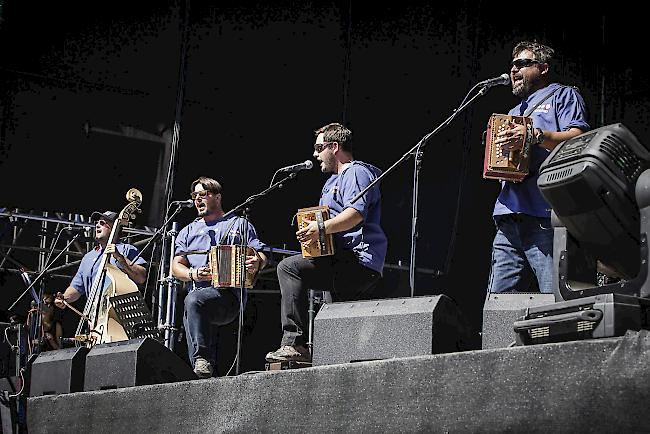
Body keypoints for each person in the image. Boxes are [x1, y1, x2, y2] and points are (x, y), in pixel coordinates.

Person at [265, 122, 388, 363]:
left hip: (357, 259)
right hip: (339, 259)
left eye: (318, 147)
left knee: (288, 268)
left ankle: (294, 343)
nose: (315, 154)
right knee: (336, 328)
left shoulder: (356, 172)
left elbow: (355, 214)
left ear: (334, 146)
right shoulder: (330, 182)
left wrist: (319, 227)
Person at [488, 41, 590, 294]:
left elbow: (578, 138)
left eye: (522, 63)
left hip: (544, 213)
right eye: (512, 64)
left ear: (543, 68)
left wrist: (534, 136)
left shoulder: (563, 95)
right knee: (498, 303)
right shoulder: (512, 111)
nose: (513, 69)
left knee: (553, 294)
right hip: (508, 215)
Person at [171, 176, 267, 378]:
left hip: (228, 296)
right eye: (194, 195)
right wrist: (193, 273)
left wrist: (257, 261)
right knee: (192, 302)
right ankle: (201, 369)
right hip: (197, 295)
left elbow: (260, 253)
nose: (197, 199)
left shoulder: (238, 224)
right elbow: (175, 266)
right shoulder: (188, 231)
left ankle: (201, 359)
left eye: (203, 194)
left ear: (217, 197)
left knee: (193, 301)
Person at [54, 210, 147, 311]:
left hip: (120, 313)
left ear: (114, 227)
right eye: (97, 223)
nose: (97, 225)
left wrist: (121, 259)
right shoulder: (88, 257)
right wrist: (65, 298)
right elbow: (77, 288)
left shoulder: (127, 249)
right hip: (95, 317)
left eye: (102, 223)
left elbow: (141, 277)